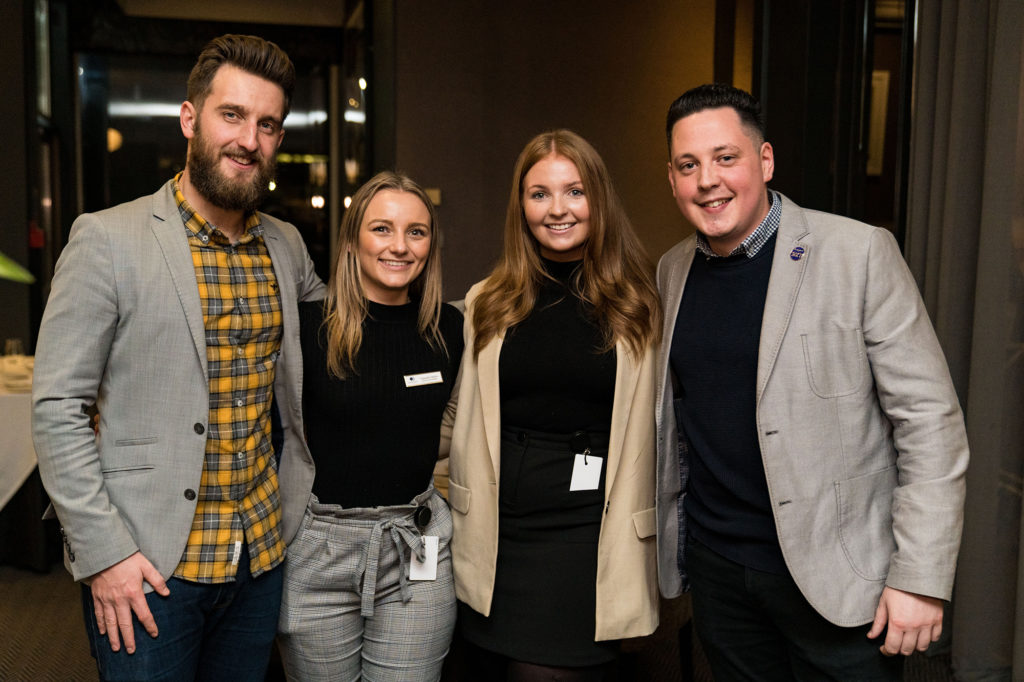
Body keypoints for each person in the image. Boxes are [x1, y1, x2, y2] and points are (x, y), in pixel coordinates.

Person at [32, 34, 324, 680]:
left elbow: (345, 339)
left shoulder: (288, 249)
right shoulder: (107, 240)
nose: (250, 139)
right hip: (147, 568)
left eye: (268, 124)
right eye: (232, 115)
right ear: (190, 119)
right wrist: (104, 553)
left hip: (258, 560)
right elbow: (57, 408)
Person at [654, 83, 970, 680]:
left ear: (764, 160)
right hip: (719, 572)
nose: (707, 181)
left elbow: (931, 424)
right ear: (671, 179)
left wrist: (920, 578)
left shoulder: (859, 253)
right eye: (688, 165)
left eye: (726, 158)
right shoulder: (671, 270)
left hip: (840, 578)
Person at [446, 129, 662, 679]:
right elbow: (455, 416)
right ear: (521, 206)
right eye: (539, 193)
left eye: (575, 191)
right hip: (498, 532)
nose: (557, 209)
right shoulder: (485, 301)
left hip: (589, 534)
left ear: (599, 200)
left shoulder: (642, 306)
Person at [276, 171, 463, 680]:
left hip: (417, 542)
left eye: (416, 232)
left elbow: (451, 419)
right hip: (319, 550)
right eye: (382, 229)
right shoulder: (306, 328)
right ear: (353, 238)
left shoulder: (450, 329)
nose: (399, 246)